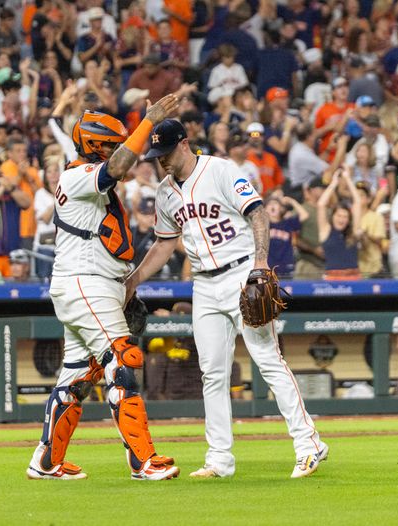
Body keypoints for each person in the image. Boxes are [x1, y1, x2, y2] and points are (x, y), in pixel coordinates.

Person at [125, 118, 327, 480]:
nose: (162, 161)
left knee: (267, 359)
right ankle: (219, 458)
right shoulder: (166, 192)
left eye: (166, 153)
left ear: (184, 144)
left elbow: (258, 212)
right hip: (203, 284)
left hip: (241, 273)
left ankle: (309, 443)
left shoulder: (220, 170)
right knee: (212, 373)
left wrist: (260, 263)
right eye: (157, 156)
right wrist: (135, 278)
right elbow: (164, 242)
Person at [26, 95, 182, 482]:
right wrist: (148, 123)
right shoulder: (78, 175)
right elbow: (117, 166)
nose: (121, 150)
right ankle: (143, 460)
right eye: (112, 144)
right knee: (122, 362)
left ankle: (46, 461)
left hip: (89, 285)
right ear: (97, 147)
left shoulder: (87, 182)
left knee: (78, 376)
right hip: (86, 285)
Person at [317, 168, 363, 280]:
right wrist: (333, 184)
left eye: (345, 216)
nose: (341, 219)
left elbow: (358, 202)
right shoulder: (326, 230)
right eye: (338, 216)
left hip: (354, 277)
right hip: (332, 278)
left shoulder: (352, 231)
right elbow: (321, 205)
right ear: (332, 217)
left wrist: (348, 179)